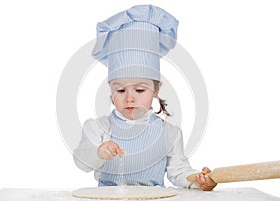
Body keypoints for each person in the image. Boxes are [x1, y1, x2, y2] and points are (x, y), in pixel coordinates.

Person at [73, 4, 217, 191]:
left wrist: (198, 180)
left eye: (140, 90)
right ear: (111, 90)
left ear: (156, 89)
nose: (130, 98)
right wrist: (98, 152)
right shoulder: (97, 127)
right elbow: (82, 161)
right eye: (121, 90)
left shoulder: (169, 133)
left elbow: (178, 171)